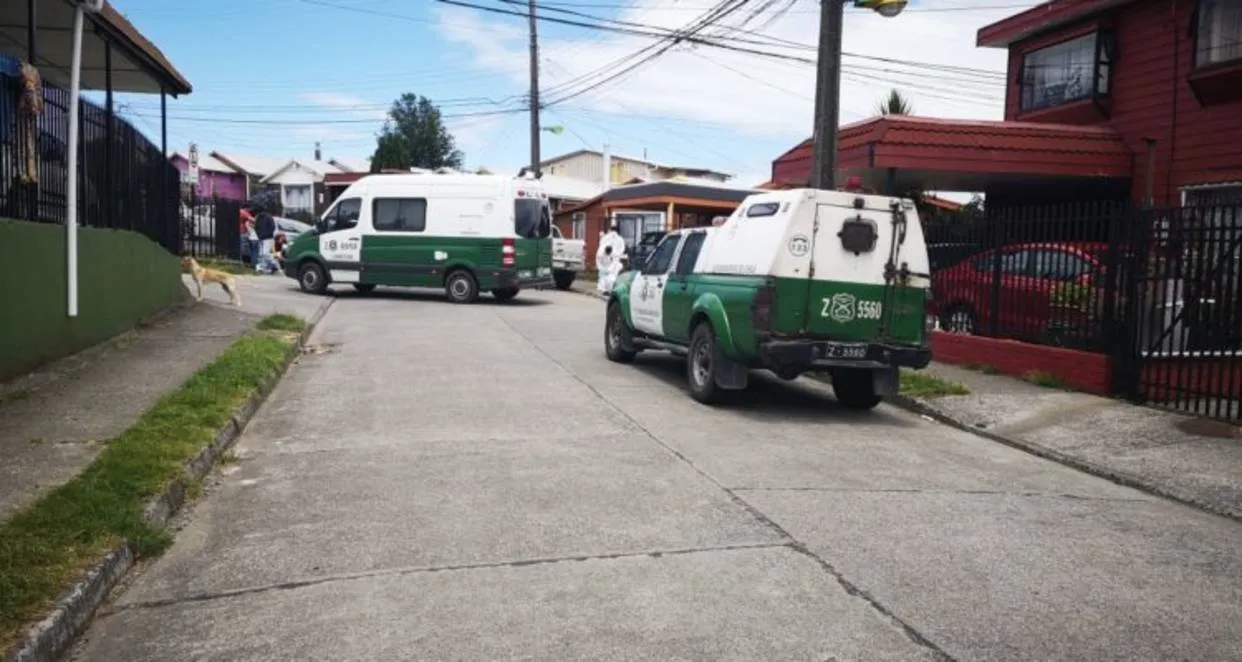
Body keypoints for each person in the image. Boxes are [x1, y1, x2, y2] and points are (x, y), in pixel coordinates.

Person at [254, 206, 280, 274]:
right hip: (262, 238)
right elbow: (256, 227)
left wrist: (265, 234)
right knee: (262, 254)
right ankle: (266, 268)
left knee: (265, 253)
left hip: (268, 238)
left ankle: (275, 265)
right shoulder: (260, 217)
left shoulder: (267, 217)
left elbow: (272, 227)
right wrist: (259, 235)